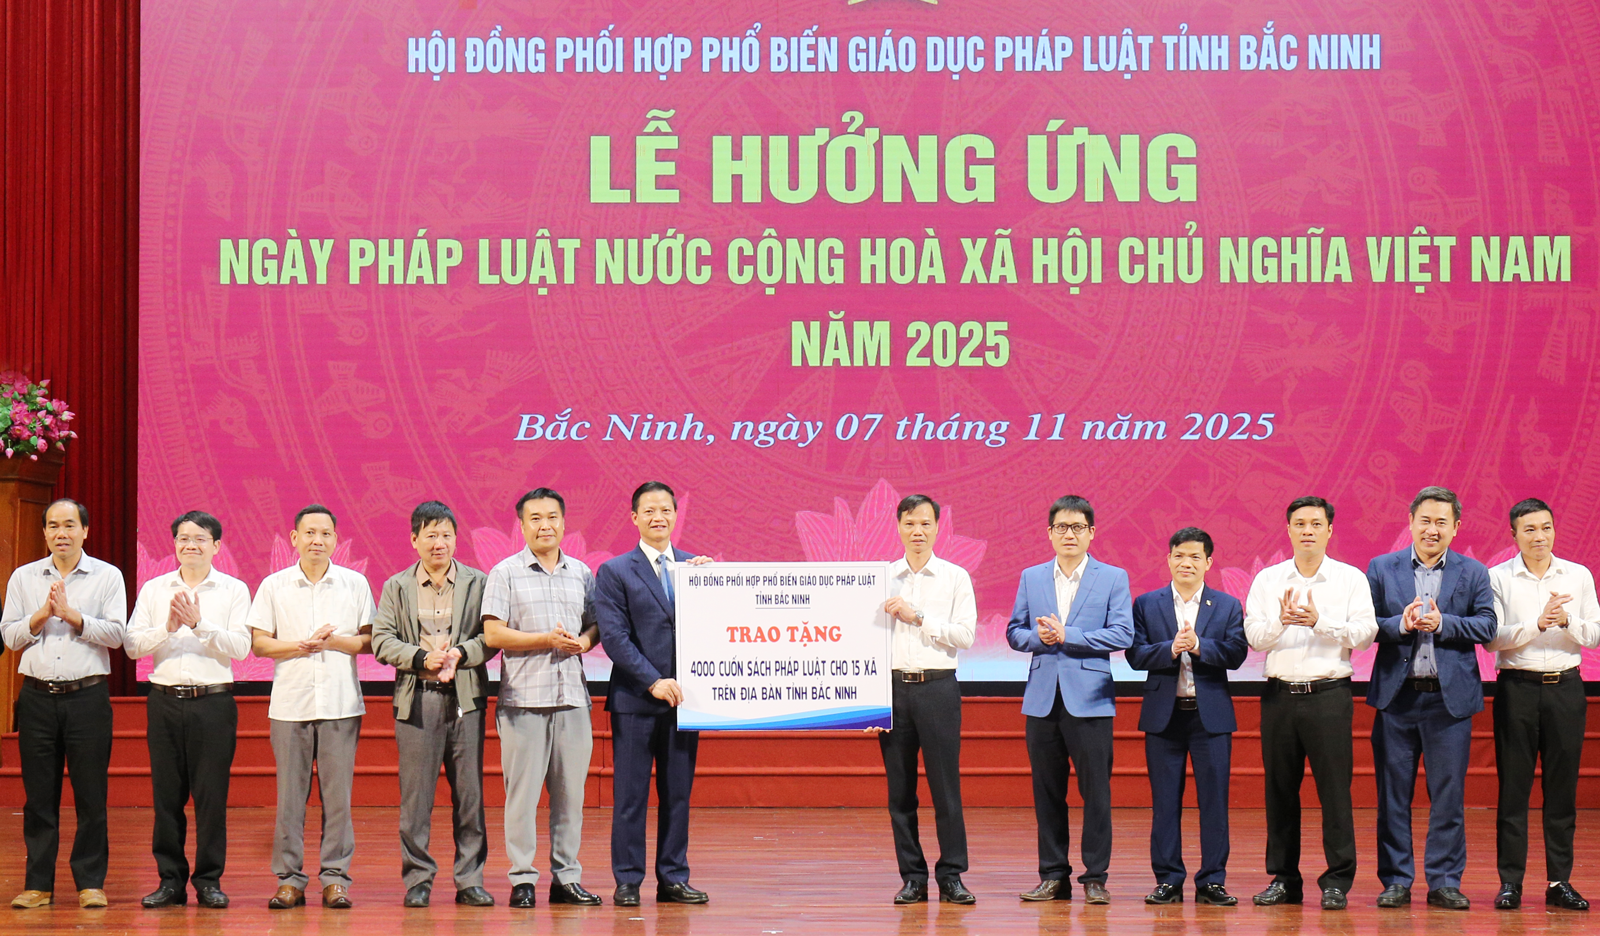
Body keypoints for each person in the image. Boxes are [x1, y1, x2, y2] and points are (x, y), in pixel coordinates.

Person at [1367, 486, 1498, 910]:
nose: (1432, 529)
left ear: (1456, 527)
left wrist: (1445, 623)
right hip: (1397, 699)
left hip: (1449, 702)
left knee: (1448, 797)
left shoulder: (1474, 572)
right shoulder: (1382, 568)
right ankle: (1396, 880)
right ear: (1410, 523)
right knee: (1393, 796)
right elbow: (1365, 624)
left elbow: (1487, 626)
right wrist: (1400, 625)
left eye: (1442, 522)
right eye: (1425, 520)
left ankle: (1444, 881)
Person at [1244, 495, 1376, 910]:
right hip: (1280, 696)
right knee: (1280, 791)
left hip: (1329, 696)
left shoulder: (1350, 578)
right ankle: (1284, 879)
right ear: (1288, 529)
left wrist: (1320, 622)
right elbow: (1254, 637)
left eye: (1316, 524)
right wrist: (1281, 621)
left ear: (1329, 530)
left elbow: (1365, 634)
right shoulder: (1268, 580)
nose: (1307, 531)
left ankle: (1337, 880)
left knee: (1335, 791)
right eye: (1299, 524)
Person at [1007, 494, 1133, 905]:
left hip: (1091, 699)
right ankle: (1053, 875)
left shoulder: (1112, 577)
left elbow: (1123, 633)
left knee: (1096, 792)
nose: (1069, 534)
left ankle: (1095, 877)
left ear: (1091, 533)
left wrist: (1069, 635)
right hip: (1042, 699)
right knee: (1047, 792)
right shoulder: (1032, 577)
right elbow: (1014, 632)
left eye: (1078, 527)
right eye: (1061, 527)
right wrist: (1038, 638)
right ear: (1050, 533)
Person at [248, 504, 375, 910]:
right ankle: (289, 879)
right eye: (309, 533)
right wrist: (299, 647)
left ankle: (335, 879)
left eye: (325, 534)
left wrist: (333, 642)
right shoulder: (274, 585)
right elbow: (260, 643)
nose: (317, 540)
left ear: (336, 540)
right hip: (290, 704)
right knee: (290, 798)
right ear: (295, 538)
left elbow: (369, 640)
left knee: (338, 800)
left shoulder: (355, 583)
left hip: (341, 703)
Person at [1, 499, 126, 910]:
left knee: (91, 795)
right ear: (44, 532)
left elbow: (117, 635)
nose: (61, 533)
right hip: (37, 697)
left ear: (85, 530)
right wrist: (41, 615)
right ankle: (38, 885)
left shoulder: (107, 576)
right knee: (38, 797)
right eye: (53, 526)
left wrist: (73, 616)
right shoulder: (24, 577)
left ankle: (90, 883)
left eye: (70, 525)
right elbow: (9, 637)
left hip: (87, 697)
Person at [482, 488, 604, 908]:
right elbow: (492, 633)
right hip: (523, 701)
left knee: (571, 798)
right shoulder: (505, 572)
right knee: (522, 797)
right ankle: (523, 880)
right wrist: (544, 639)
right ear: (521, 526)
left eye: (552, 517)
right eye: (535, 518)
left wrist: (584, 644)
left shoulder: (582, 573)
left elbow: (595, 626)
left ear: (564, 523)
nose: (544, 525)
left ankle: (566, 878)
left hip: (572, 699)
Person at [124, 510, 252, 909]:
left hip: (213, 702)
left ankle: (209, 881)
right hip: (164, 701)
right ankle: (170, 881)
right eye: (183, 538)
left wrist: (198, 624)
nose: (190, 545)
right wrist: (167, 627)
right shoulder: (155, 589)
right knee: (167, 796)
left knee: (211, 797)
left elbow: (241, 648)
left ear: (216, 546)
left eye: (199, 538)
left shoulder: (233, 589)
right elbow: (132, 646)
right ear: (174, 544)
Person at [370, 501, 495, 908]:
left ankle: (470, 879)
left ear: (456, 539)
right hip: (418, 700)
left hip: (465, 700)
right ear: (414, 539)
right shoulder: (397, 586)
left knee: (469, 795)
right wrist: (422, 658)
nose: (439, 543)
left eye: (446, 535)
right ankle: (418, 880)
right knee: (416, 798)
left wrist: (460, 653)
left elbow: (491, 636)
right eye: (430, 535)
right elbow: (381, 640)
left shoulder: (479, 582)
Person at [595, 482, 713, 907]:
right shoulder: (615, 571)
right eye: (649, 510)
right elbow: (615, 637)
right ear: (634, 518)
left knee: (677, 794)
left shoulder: (695, 568)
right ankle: (627, 880)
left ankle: (673, 878)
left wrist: (715, 584)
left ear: (676, 515)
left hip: (685, 700)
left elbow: (715, 625)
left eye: (665, 509)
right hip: (636, 700)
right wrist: (653, 681)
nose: (658, 517)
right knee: (631, 796)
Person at [1126, 527, 1248, 905]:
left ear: (1209, 562)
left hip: (1210, 717)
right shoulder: (1147, 604)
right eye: (1179, 555)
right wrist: (1170, 648)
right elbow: (1135, 655)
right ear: (1168, 560)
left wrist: (1198, 646)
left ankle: (1212, 880)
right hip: (1164, 717)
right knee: (1165, 802)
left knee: (1214, 801)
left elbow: (1236, 653)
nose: (1186, 563)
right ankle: (1168, 880)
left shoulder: (1227, 605)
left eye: (1195, 557)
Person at [1486, 498, 1597, 911]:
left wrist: (1566, 620)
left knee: (1561, 790)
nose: (1539, 536)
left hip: (1566, 689)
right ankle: (1510, 882)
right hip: (1517, 688)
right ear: (1514, 534)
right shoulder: (1498, 577)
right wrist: (1537, 624)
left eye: (1546, 527)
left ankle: (1559, 881)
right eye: (1530, 529)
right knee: (1513, 790)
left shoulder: (1578, 575)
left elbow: (1595, 633)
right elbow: (1492, 638)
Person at [872, 494, 978, 906]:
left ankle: (952, 875)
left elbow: (965, 636)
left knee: (945, 788)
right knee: (900, 792)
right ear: (898, 527)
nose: (918, 531)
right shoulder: (880, 578)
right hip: (893, 692)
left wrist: (918, 617)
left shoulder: (955, 577)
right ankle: (912, 878)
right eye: (910, 523)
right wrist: (869, 699)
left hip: (938, 689)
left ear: (937, 527)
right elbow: (863, 643)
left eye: (926, 524)